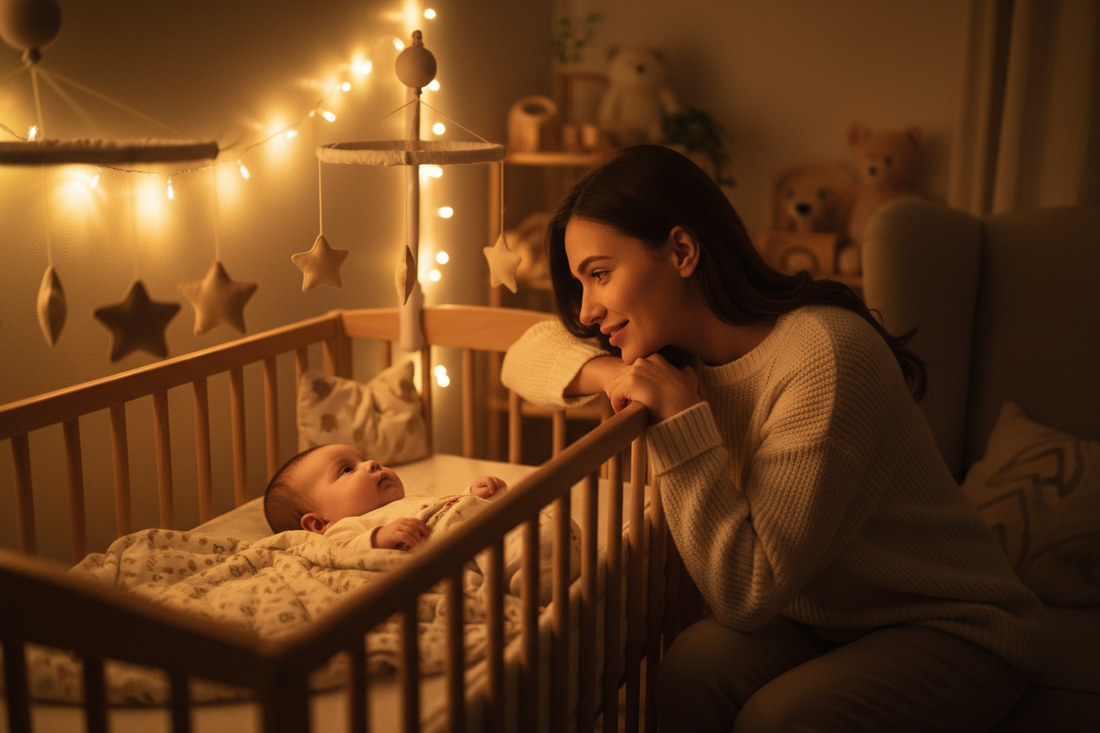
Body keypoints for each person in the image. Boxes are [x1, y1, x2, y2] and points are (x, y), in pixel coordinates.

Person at [501, 145, 1041, 732]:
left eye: (600, 274)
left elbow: (746, 595)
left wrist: (683, 422)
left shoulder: (822, 357)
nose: (586, 311)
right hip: (821, 611)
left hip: (948, 623)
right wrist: (617, 373)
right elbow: (524, 353)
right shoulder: (674, 356)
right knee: (686, 668)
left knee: (777, 719)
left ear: (681, 251)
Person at [264, 443, 508, 551]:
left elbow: (444, 508)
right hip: (471, 548)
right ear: (320, 522)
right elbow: (346, 549)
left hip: (482, 527)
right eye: (347, 470)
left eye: (364, 458)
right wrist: (381, 537)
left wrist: (472, 494)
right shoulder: (348, 528)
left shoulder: (409, 501)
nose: (371, 463)